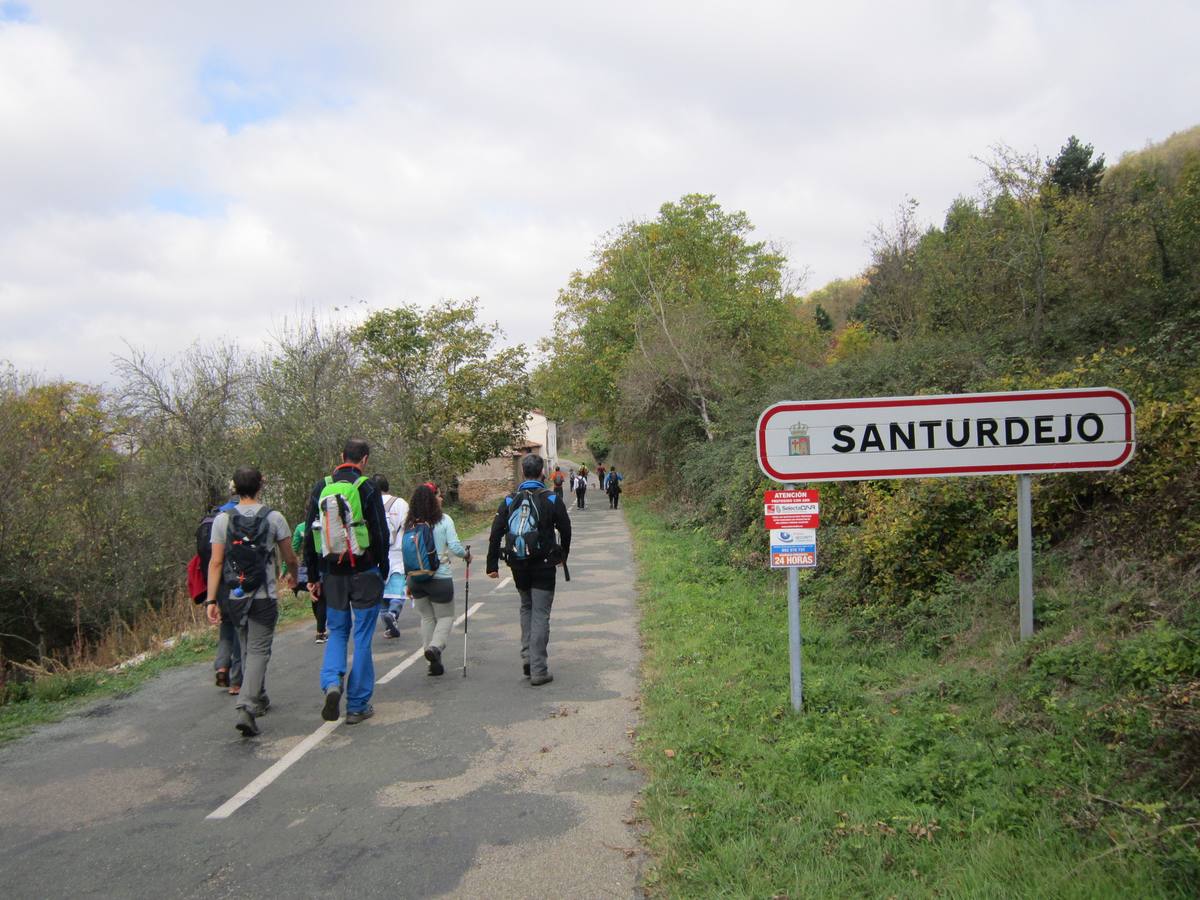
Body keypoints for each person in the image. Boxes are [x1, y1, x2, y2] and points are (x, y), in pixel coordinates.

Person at [205, 466, 298, 737]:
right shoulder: (274, 518)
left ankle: (259, 696)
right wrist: (293, 577)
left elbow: (216, 562)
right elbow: (290, 557)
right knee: (258, 651)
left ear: (235, 487)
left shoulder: (223, 520)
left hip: (235, 595)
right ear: (261, 485)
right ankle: (247, 704)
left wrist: (211, 599)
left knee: (247, 648)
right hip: (264, 596)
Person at [304, 439, 390, 725]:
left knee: (338, 631)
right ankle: (357, 705)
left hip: (332, 574)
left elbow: (309, 534)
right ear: (364, 460)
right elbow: (379, 533)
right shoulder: (367, 487)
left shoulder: (322, 486)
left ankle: (331, 682)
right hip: (364, 572)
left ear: (341, 457)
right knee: (363, 637)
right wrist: (383, 568)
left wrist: (313, 576)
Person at [486, 454, 571, 686]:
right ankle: (539, 669)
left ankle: (527, 657)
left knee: (526, 607)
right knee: (541, 613)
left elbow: (496, 533)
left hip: (518, 565)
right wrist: (563, 555)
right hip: (544, 565)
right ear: (542, 472)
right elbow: (565, 528)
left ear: (523, 473)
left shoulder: (509, 500)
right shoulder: (551, 498)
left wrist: (491, 565)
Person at [404, 482, 471, 676]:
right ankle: (435, 647)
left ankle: (433, 663)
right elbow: (456, 547)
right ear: (433, 499)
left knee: (426, 617)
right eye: (439, 495)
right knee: (445, 617)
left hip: (415, 578)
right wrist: (466, 556)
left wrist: (406, 581)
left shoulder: (410, 524)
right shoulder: (444, 520)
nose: (441, 498)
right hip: (439, 578)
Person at [374, 474, 409, 640]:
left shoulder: (370, 504)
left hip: (378, 554)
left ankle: (388, 622)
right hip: (398, 552)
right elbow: (409, 525)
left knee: (382, 590)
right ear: (387, 486)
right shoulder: (400, 503)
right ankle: (393, 615)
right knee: (398, 587)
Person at [291, 521, 325, 643]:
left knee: (315, 595)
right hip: (323, 563)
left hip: (308, 564)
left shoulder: (300, 527)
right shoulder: (324, 522)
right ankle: (320, 632)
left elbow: (294, 548)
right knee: (321, 596)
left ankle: (321, 631)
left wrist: (286, 569)